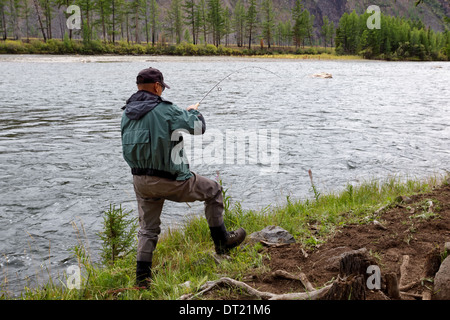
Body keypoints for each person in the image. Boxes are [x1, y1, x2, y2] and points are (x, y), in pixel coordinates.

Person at [121, 67, 247, 288]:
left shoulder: (126, 113)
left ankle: (142, 280)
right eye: (161, 87)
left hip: (141, 182)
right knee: (214, 190)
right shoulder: (166, 110)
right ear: (157, 87)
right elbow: (198, 127)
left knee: (147, 228)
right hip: (171, 181)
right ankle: (223, 244)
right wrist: (193, 112)